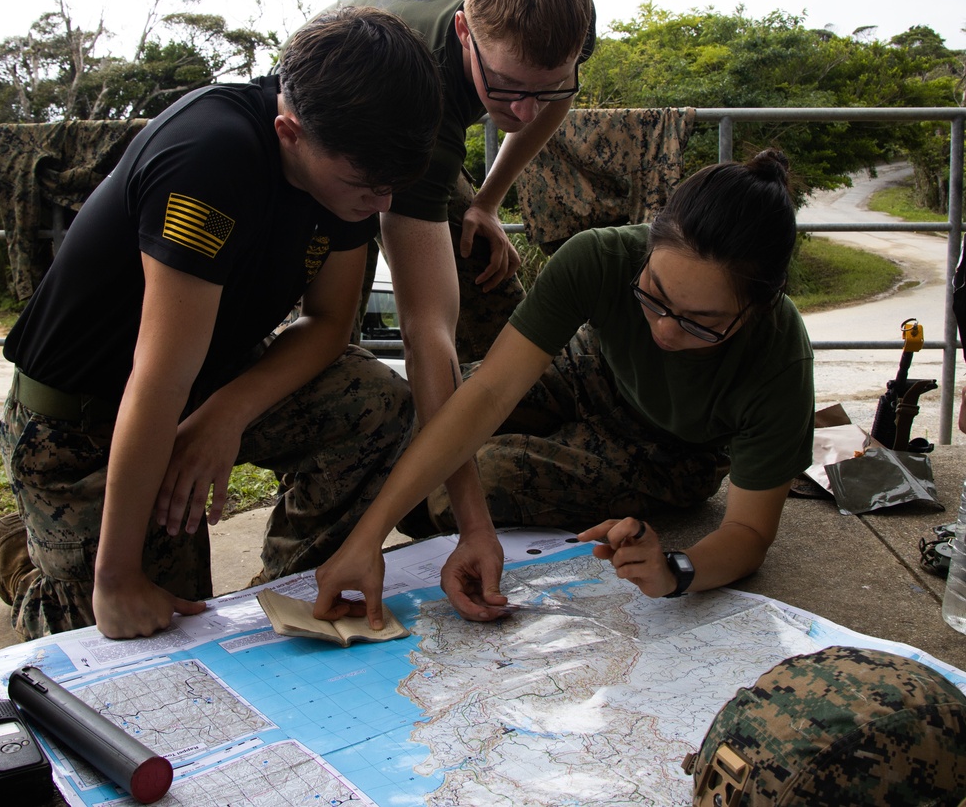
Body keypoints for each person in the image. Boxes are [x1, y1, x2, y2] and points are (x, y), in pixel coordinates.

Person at [0, 7, 443, 641]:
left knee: (373, 403)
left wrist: (226, 415)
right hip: (79, 420)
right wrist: (117, 576)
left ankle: (295, 592)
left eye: (396, 185)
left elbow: (328, 325)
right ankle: (31, 560)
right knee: (132, 621)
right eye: (367, 186)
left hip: (201, 382)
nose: (384, 203)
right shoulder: (211, 157)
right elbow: (159, 375)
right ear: (289, 131)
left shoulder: (350, 166)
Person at [312, 150, 816, 626]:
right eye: (653, 296)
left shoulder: (778, 358)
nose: (664, 331)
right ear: (648, 245)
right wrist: (369, 536)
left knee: (477, 481)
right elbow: (487, 394)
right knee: (411, 412)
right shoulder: (600, 257)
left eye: (703, 324)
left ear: (759, 307)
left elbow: (749, 533)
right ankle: (307, 574)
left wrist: (674, 570)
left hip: (664, 454)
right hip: (582, 375)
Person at [254, 0, 597, 599]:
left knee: (496, 289)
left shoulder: (563, 27)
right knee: (333, 360)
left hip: (424, 117)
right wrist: (475, 526)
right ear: (466, 33)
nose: (523, 109)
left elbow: (545, 109)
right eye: (505, 88)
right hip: (345, 113)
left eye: (546, 86)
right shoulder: (428, 92)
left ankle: (450, 471)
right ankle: (325, 529)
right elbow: (425, 330)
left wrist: (490, 202)